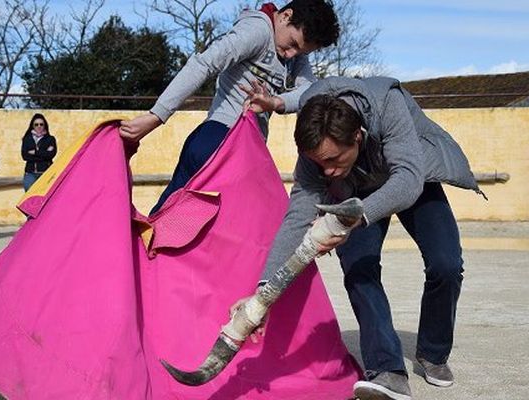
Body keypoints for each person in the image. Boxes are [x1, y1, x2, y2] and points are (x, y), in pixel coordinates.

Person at [234, 76, 483, 400]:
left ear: (358, 136)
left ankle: (433, 352)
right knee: (359, 270)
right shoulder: (317, 144)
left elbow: (407, 181)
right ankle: (387, 371)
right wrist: (263, 292)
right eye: (318, 163)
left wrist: (353, 219)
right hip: (353, 190)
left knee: (446, 264)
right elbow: (297, 218)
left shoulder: (387, 103)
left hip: (413, 174)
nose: (327, 172)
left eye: (334, 160)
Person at [119, 0, 340, 214]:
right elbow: (204, 63)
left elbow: (310, 90)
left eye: (300, 52)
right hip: (219, 139)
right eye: (292, 44)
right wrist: (156, 116)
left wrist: (275, 102)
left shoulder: (291, 49)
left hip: (245, 149)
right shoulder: (258, 30)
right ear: (285, 16)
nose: (291, 55)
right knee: (252, 223)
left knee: (175, 219)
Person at [21, 113, 57, 191]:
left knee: (46, 197)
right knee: (29, 196)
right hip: (30, 173)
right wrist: (44, 154)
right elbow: (24, 156)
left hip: (46, 172)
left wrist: (35, 152)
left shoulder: (50, 139)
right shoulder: (27, 139)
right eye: (36, 124)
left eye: (41, 124)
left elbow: (51, 155)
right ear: (32, 126)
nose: (39, 126)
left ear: (45, 125)